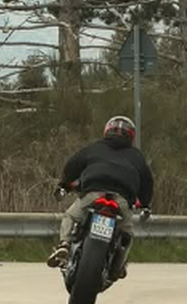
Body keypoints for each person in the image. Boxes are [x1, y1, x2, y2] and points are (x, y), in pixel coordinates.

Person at [46, 115, 153, 271]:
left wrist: (64, 185)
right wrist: (145, 204)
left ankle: (65, 244)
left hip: (93, 194)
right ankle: (120, 264)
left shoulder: (95, 148)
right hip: (122, 201)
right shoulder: (136, 156)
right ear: (131, 136)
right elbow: (147, 182)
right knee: (126, 232)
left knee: (70, 216)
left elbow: (72, 166)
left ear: (107, 131)